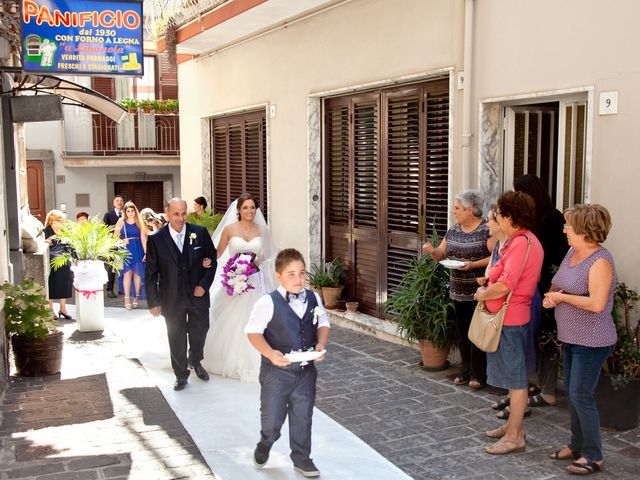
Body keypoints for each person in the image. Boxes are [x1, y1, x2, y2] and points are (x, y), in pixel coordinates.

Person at [543, 204, 616, 475]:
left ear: (585, 231)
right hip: (572, 336)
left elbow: (597, 304)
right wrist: (553, 292)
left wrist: (561, 298)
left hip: (593, 339)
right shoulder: (573, 252)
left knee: (580, 395)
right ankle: (577, 445)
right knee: (576, 396)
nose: (564, 229)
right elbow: (560, 281)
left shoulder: (600, 262)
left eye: (569, 226)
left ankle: (594, 455)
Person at [246, 248, 330, 478]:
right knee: (272, 420)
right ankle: (266, 441)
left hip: (305, 372)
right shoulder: (267, 302)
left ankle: (302, 459)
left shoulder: (313, 297)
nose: (299, 279)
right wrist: (270, 353)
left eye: (302, 273)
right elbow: (253, 332)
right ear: (278, 276)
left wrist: (320, 345)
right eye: (291, 274)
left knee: (303, 416)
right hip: (276, 373)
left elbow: (323, 322)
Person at [476, 191, 543, 455]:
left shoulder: (523, 243)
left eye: (500, 213)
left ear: (510, 216)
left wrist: (483, 293)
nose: (497, 217)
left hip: (512, 319)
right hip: (509, 318)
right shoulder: (517, 241)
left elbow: (506, 283)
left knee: (516, 380)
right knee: (512, 377)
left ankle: (515, 435)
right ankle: (514, 428)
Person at [201, 193, 278, 381]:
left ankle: (261, 358)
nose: (249, 211)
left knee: (258, 318)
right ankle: (229, 359)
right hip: (234, 282)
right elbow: (217, 253)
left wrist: (256, 265)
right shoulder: (229, 229)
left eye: (252, 207)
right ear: (239, 210)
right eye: (246, 208)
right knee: (234, 320)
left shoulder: (263, 230)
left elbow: (268, 255)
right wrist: (205, 262)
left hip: (256, 282)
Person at [422, 190, 495, 388]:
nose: (454, 212)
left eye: (457, 208)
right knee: (463, 334)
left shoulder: (485, 230)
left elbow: (496, 257)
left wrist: (473, 265)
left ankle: (478, 375)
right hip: (457, 291)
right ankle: (465, 371)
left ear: (470, 210)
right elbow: (441, 254)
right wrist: (432, 251)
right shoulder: (453, 230)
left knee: (477, 335)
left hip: (479, 293)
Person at [145, 198, 217, 391]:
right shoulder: (156, 239)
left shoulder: (199, 233)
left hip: (198, 295)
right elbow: (151, 273)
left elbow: (212, 261)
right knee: (175, 335)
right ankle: (181, 373)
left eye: (183, 213)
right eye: (176, 214)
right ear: (167, 213)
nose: (180, 218)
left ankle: (195, 359)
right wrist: (153, 301)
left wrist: (204, 284)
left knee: (200, 331)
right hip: (171, 297)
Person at [514, 174, 569, 409]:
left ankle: (548, 391)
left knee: (547, 337)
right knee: (535, 337)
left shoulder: (550, 218)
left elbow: (545, 255)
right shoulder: (534, 219)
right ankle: (536, 383)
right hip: (534, 286)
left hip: (549, 285)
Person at [114, 201, 148, 309]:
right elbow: (115, 237)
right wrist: (122, 241)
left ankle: (136, 297)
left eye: (132, 211)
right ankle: (127, 298)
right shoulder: (121, 221)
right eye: (128, 211)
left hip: (138, 248)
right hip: (125, 249)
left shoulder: (139, 221)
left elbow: (143, 238)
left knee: (137, 274)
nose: (130, 213)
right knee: (127, 274)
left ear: (135, 211)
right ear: (125, 212)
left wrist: (146, 252)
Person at [43, 209, 73, 320]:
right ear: (51, 221)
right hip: (52, 262)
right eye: (56, 222)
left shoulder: (64, 231)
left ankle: (63, 309)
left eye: (60, 222)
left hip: (64, 262)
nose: (59, 224)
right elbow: (41, 243)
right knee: (52, 286)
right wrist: (46, 242)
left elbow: (70, 245)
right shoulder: (46, 231)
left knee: (64, 285)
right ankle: (50, 310)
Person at [103, 195, 125, 298]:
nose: (119, 202)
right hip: (112, 246)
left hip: (124, 245)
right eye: (117, 200)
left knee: (121, 267)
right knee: (112, 268)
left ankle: (122, 289)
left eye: (121, 200)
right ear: (113, 203)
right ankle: (109, 289)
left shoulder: (127, 214)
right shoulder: (108, 215)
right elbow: (104, 230)